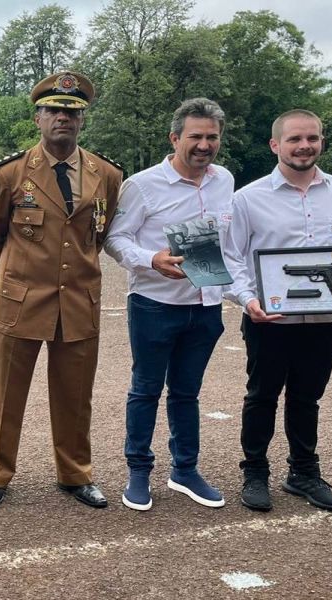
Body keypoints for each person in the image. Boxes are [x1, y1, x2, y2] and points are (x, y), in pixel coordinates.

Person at [0, 72, 123, 509]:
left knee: (76, 396)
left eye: (72, 112)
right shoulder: (7, 173)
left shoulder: (107, 174)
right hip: (22, 299)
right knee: (5, 395)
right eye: (55, 110)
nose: (64, 118)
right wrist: (23, 273)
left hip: (78, 300)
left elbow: (98, 234)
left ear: (82, 121)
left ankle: (75, 473)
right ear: (38, 117)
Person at [221, 109, 332, 513]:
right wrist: (246, 299)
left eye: (311, 138)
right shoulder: (247, 198)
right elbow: (232, 259)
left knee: (307, 397)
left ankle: (303, 473)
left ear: (321, 142)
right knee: (261, 396)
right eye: (294, 139)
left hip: (327, 319)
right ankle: (255, 472)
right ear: (276, 145)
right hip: (270, 319)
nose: (304, 146)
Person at [104, 98, 234, 512]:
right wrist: (151, 260)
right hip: (155, 302)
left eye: (212, 137)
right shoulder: (142, 184)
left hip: (206, 302)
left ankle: (185, 470)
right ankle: (138, 471)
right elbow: (114, 238)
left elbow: (229, 243)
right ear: (175, 138)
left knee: (186, 393)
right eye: (195, 136)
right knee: (145, 390)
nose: (204, 144)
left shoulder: (225, 180)